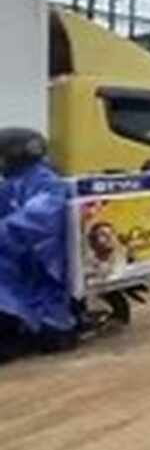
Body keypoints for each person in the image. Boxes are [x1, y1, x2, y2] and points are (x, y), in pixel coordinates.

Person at [0, 128, 75, 362]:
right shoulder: (12, 185)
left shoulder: (47, 184)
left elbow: (35, 220)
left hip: (39, 269)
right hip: (17, 259)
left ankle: (28, 326)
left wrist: (4, 231)